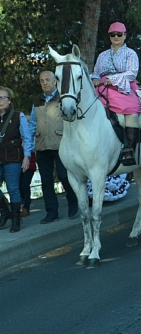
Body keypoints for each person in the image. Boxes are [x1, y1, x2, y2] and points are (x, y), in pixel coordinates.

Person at [30, 70, 79, 223]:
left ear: (55, 81)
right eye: (41, 80)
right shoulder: (37, 100)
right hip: (42, 145)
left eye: (47, 80)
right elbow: (33, 122)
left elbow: (72, 120)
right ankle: (52, 212)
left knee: (64, 176)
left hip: (60, 144)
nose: (44, 83)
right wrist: (31, 143)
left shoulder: (63, 98)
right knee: (46, 181)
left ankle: (73, 202)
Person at [91, 22, 141, 166]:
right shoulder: (102, 55)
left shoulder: (130, 53)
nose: (116, 37)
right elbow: (96, 71)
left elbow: (132, 73)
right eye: (112, 34)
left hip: (123, 86)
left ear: (125, 36)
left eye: (119, 34)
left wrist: (113, 79)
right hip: (102, 86)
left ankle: (129, 150)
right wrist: (95, 78)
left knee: (131, 111)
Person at [0, 86, 33, 233]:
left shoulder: (18, 116)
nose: (0, 101)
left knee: (13, 188)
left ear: (9, 99)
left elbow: (27, 138)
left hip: (13, 157)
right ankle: (5, 211)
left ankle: (15, 220)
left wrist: (27, 157)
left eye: (2, 97)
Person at [19, 148, 35, 217]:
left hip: (29, 164)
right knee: (19, 186)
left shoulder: (28, 138)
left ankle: (26, 207)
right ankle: (19, 207)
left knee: (25, 185)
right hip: (17, 165)